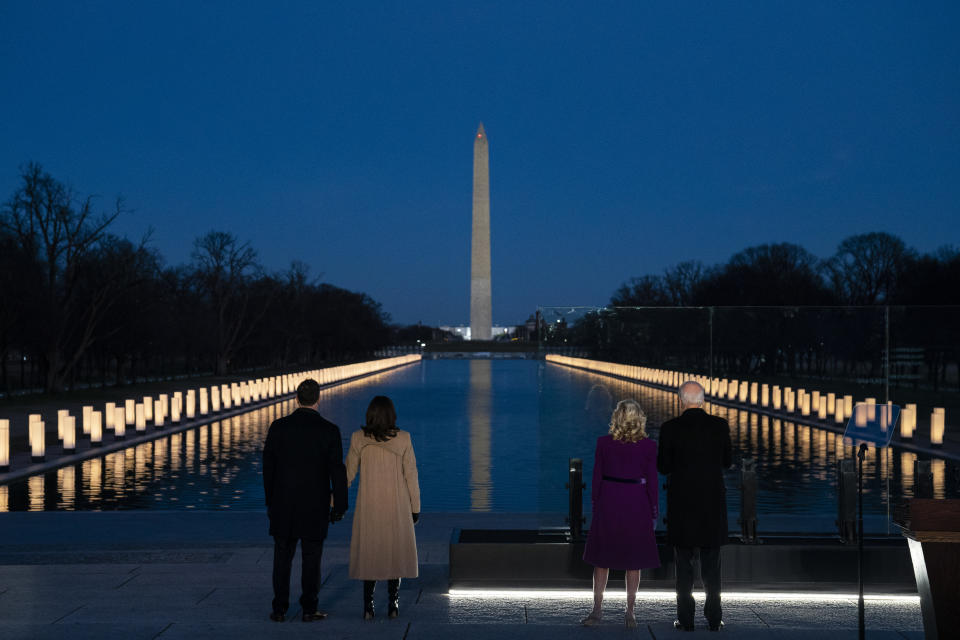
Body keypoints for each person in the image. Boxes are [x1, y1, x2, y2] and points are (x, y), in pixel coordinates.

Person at [262, 378, 348, 623]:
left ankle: (279, 609)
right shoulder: (329, 430)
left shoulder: (278, 427)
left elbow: (268, 468)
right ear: (318, 399)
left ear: (296, 398)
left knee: (282, 557)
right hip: (315, 503)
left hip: (283, 502)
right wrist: (339, 506)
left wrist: (270, 500)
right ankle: (309, 608)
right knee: (312, 558)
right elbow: (336, 472)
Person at [657, 381, 732, 632]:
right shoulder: (719, 426)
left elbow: (663, 467)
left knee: (684, 566)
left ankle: (686, 619)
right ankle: (714, 619)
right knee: (713, 567)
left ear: (681, 400)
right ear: (702, 400)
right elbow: (728, 461)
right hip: (711, 505)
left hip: (682, 506)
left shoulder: (670, 429)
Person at [581, 399, 660, 629]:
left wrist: (595, 505)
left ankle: (597, 611)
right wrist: (654, 510)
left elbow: (596, 478)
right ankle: (630, 612)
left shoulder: (603, 443)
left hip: (609, 500)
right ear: (639, 418)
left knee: (601, 559)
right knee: (633, 561)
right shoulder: (648, 446)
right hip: (637, 502)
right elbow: (652, 483)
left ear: (616, 417)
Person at [346, 395, 421, 620]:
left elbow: (347, 474)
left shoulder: (358, 438)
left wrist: (334, 501)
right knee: (393, 553)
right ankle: (393, 604)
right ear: (392, 414)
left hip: (369, 505)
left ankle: (368, 606)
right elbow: (411, 476)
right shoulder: (404, 439)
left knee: (370, 552)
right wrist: (415, 507)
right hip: (396, 505)